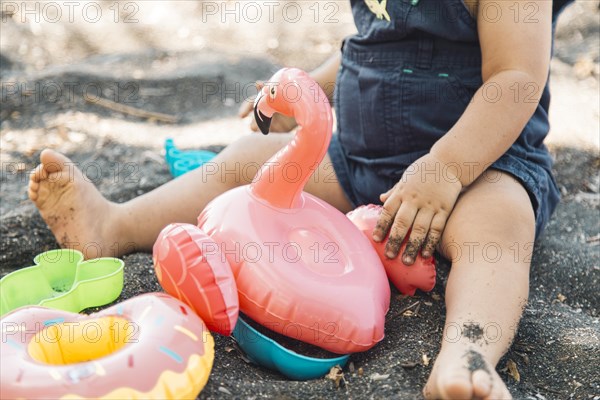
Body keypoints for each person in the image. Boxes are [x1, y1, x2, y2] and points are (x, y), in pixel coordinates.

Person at [28, 0, 573, 398]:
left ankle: (468, 350)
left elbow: (516, 78)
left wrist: (447, 168)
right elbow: (371, 50)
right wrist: (307, 93)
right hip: (359, 161)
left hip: (476, 170)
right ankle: (113, 226)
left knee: (499, 227)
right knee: (245, 159)